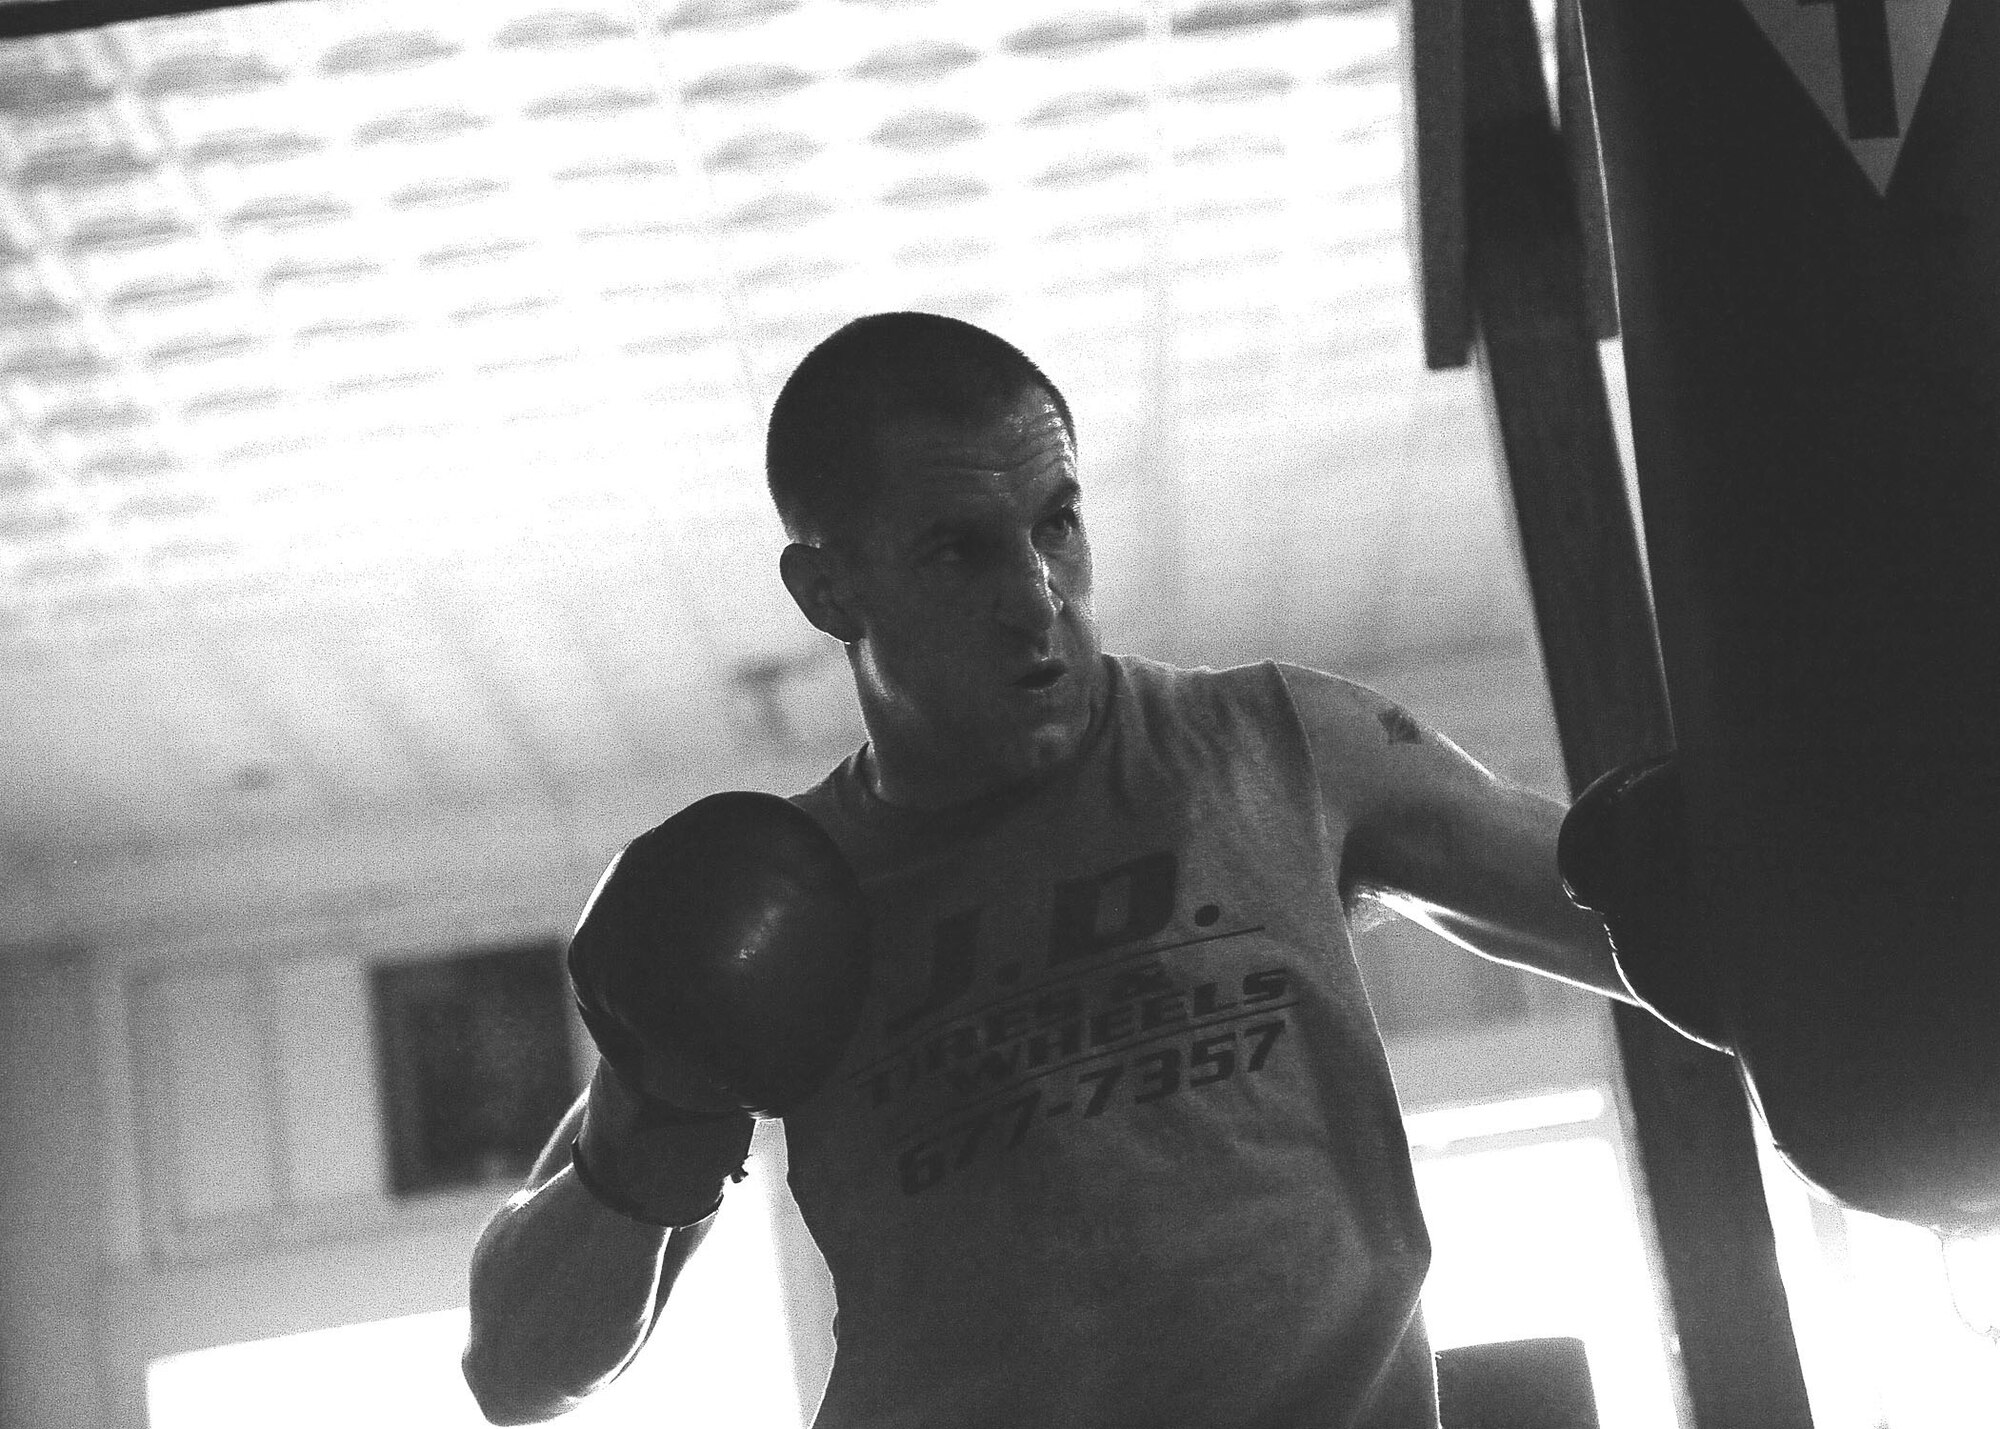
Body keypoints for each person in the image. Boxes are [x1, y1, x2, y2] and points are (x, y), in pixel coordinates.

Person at [461, 312, 1636, 1428]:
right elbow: (517, 1371)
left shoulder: (1277, 748)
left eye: (1056, 522)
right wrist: (656, 1108)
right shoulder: (781, 899)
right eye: (956, 549)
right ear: (827, 590)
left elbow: (1658, 923)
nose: (1033, 597)